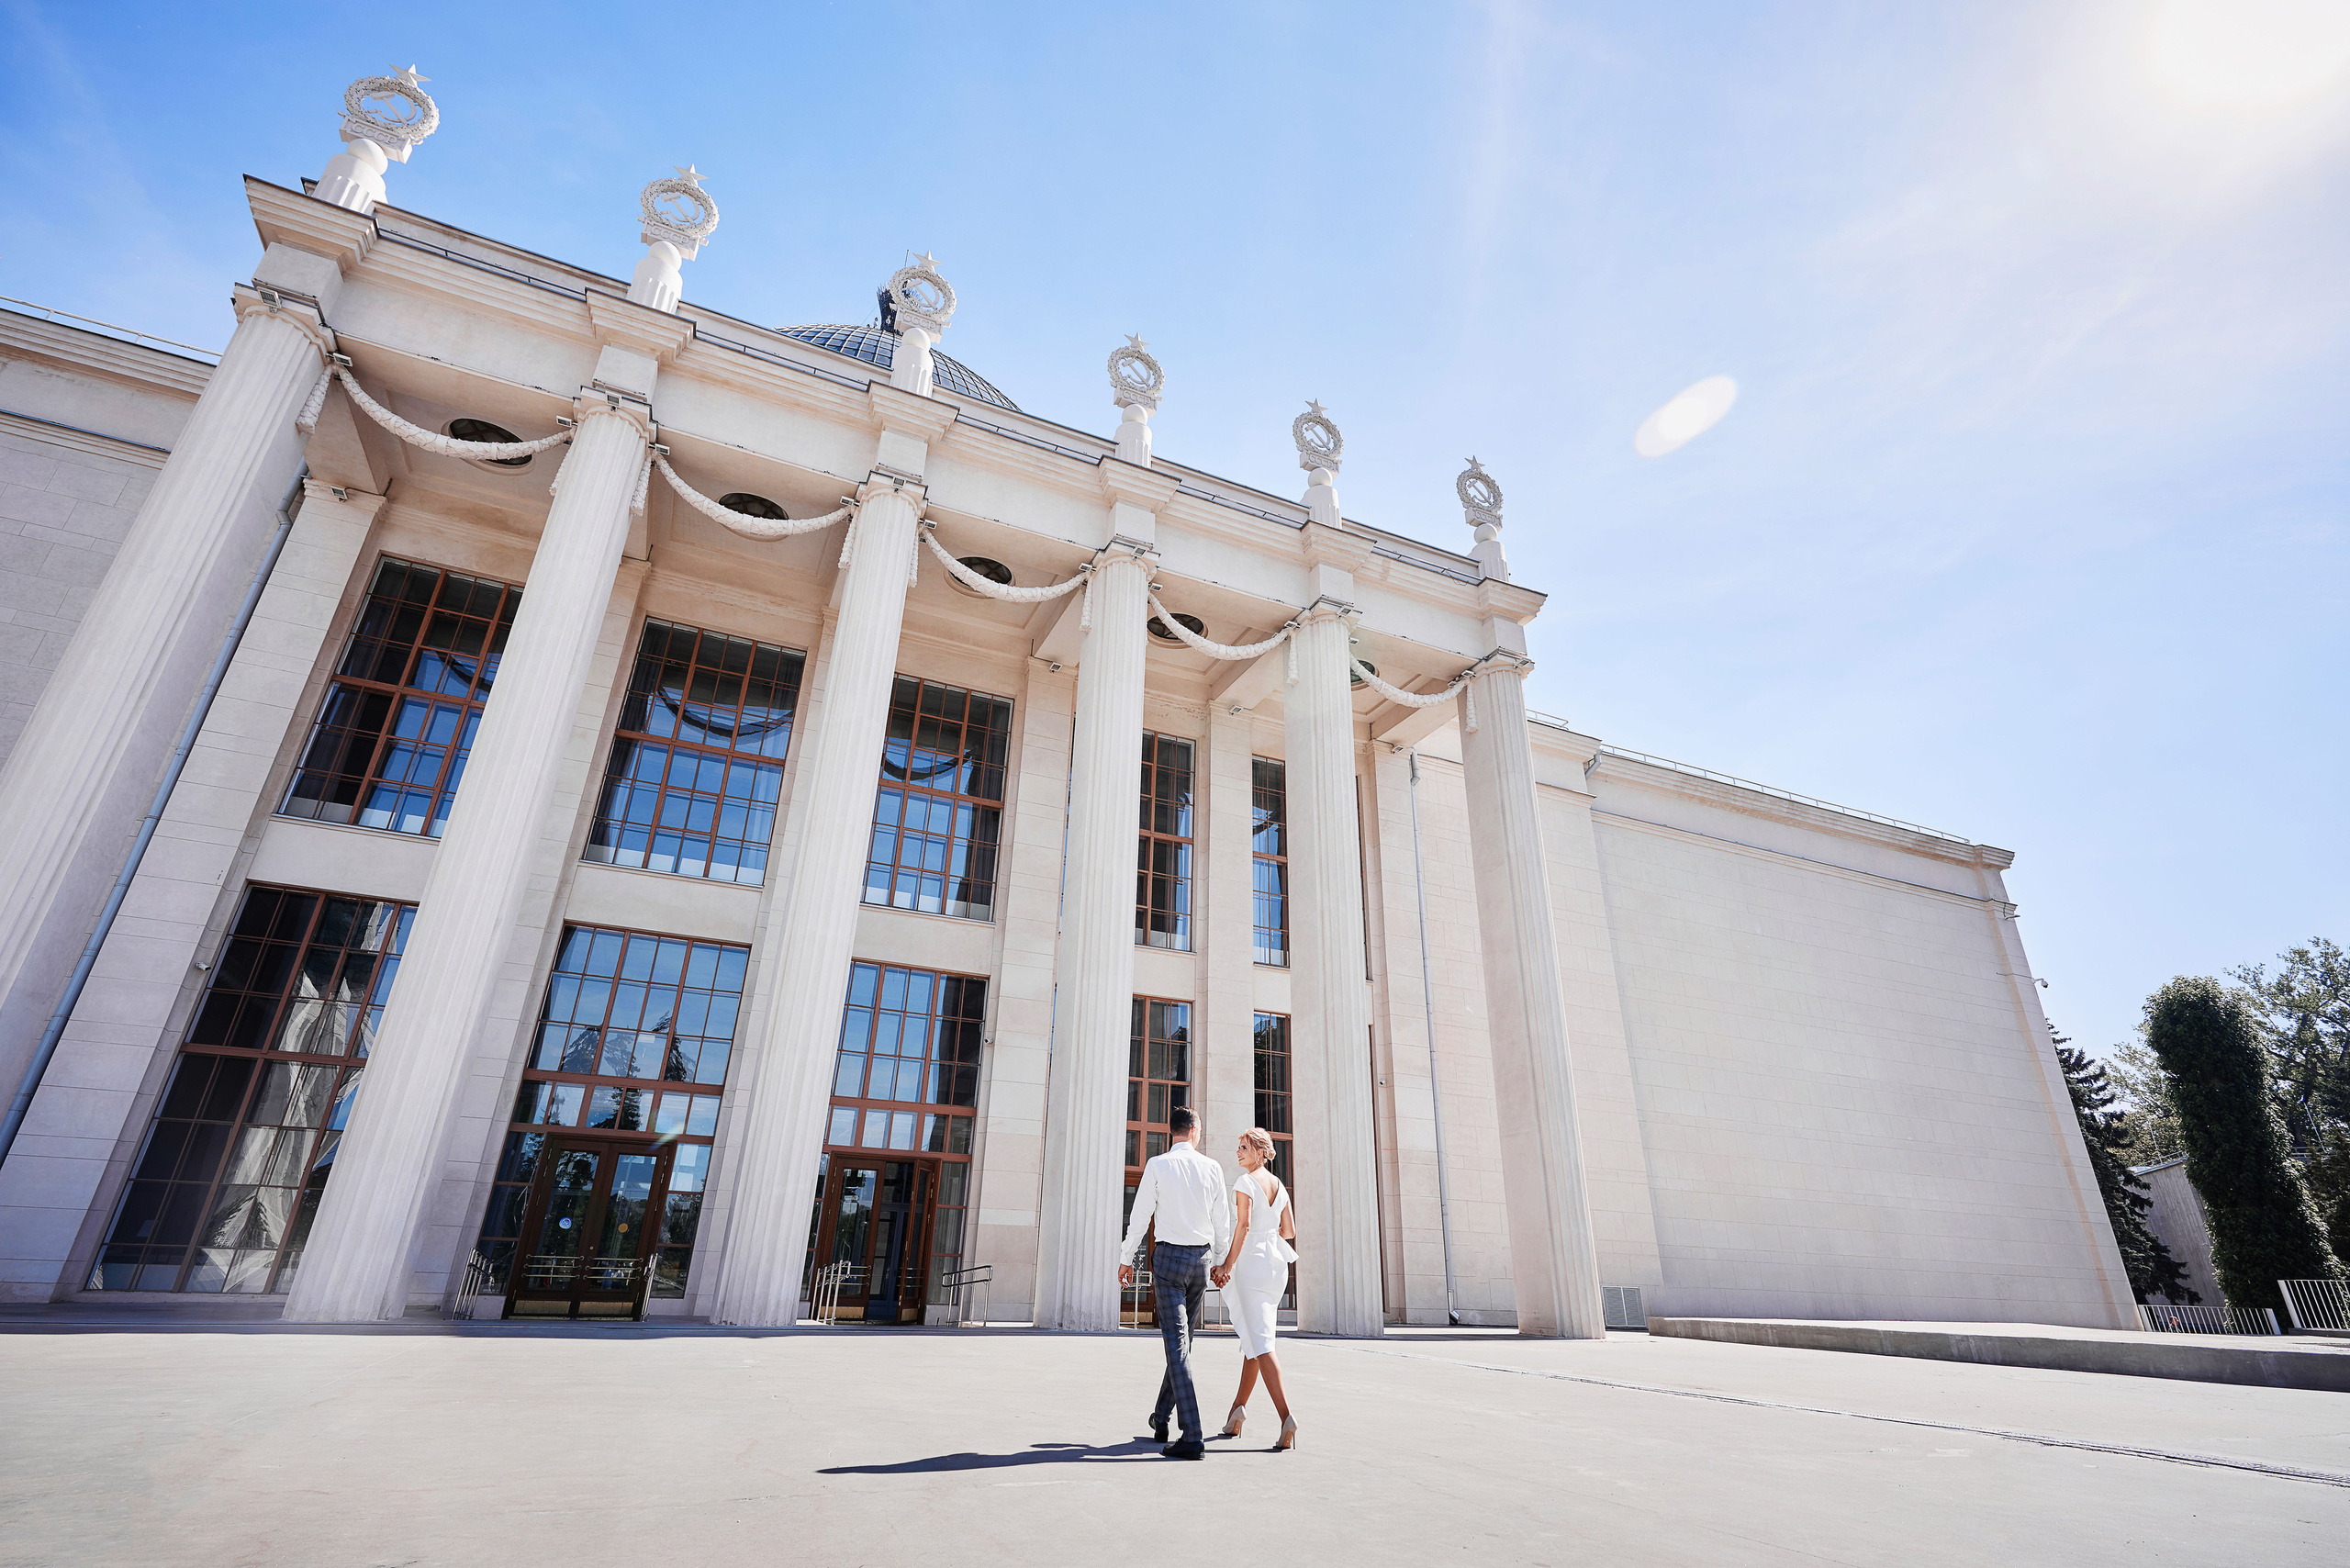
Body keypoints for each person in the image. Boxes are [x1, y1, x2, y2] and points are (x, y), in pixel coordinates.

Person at [1116, 1106, 1230, 1460]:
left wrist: (1126, 1258)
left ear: (1173, 1132)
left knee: (1177, 1345)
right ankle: (1161, 1417)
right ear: (1195, 1131)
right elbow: (1222, 1222)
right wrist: (1224, 1264)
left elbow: (1140, 1216)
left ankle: (1192, 1434)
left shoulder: (1158, 1164)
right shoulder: (1212, 1168)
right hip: (1201, 1261)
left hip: (1168, 1260)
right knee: (1182, 1344)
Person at [1210, 1126, 1299, 1450]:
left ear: (1261, 1152)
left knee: (1262, 1343)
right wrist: (1268, 1228)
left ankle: (1286, 1417)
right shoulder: (1280, 1186)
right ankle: (1236, 1413)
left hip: (1253, 1266)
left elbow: (1243, 1226)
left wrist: (1226, 1266)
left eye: (1244, 1147)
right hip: (1277, 1265)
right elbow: (1288, 1231)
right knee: (1253, 1338)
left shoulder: (1245, 1182)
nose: (1238, 1152)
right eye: (1238, 1147)